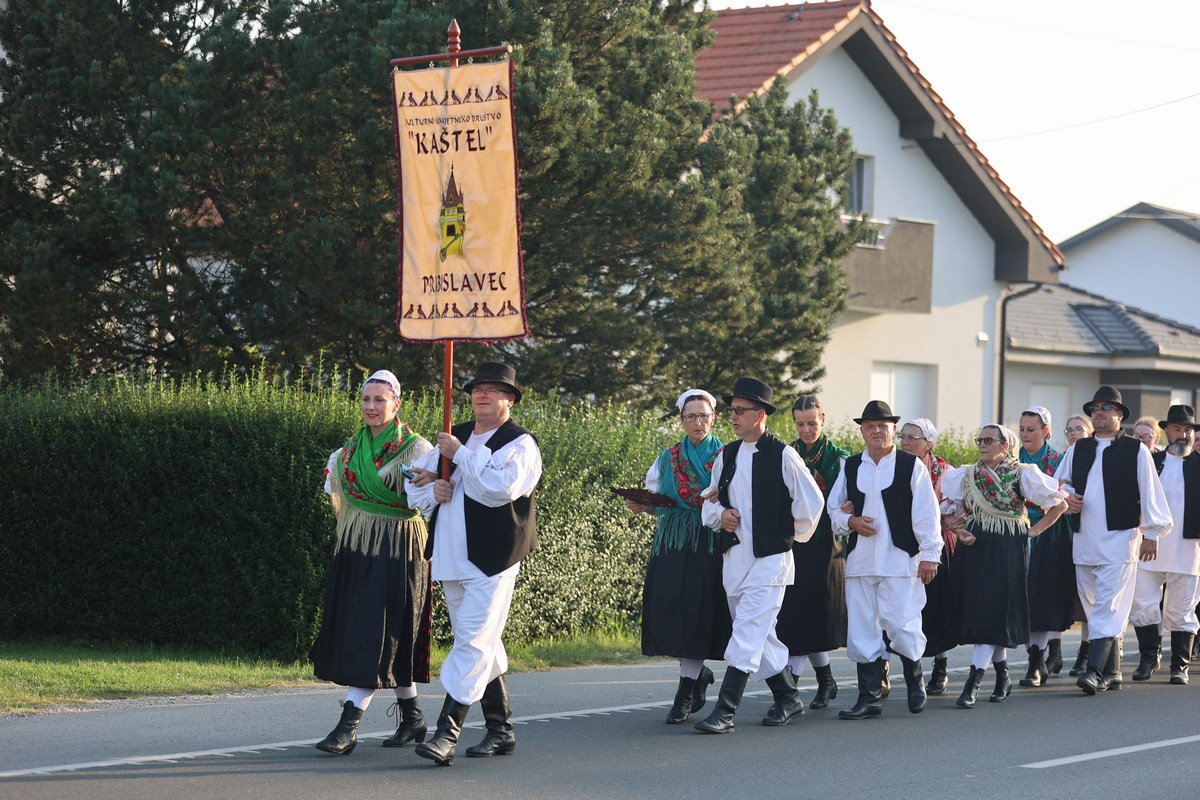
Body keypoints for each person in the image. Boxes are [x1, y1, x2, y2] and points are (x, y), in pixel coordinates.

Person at [407, 362, 542, 765]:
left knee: (471, 641)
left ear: (510, 399)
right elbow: (415, 490)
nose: (481, 394)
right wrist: (436, 490)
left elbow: (499, 490)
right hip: (451, 554)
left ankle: (446, 733)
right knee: (483, 642)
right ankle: (501, 730)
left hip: (494, 557)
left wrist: (459, 457)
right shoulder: (455, 435)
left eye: (493, 389)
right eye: (477, 389)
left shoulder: (520, 443)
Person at [311, 370, 435, 755]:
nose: (371, 406)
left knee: (376, 631)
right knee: (380, 632)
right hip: (357, 548)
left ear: (396, 403)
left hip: (399, 550)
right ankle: (413, 718)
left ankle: (347, 727)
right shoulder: (346, 453)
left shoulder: (416, 449)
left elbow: (429, 503)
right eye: (366, 399)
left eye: (380, 400)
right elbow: (335, 492)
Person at [695, 378, 824, 734]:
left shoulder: (783, 454)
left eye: (740, 410)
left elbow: (811, 504)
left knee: (748, 632)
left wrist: (786, 534)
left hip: (771, 561)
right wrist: (721, 516)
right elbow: (709, 503)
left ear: (761, 414)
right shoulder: (727, 455)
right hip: (735, 560)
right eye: (732, 410)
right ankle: (788, 697)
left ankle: (725, 710)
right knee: (758, 634)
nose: (733, 417)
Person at [1053, 386, 1172, 695]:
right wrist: (1068, 498)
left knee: (1109, 604)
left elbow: (1150, 492)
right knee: (1094, 607)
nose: (1100, 413)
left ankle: (1093, 672)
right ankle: (1114, 670)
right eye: (1095, 408)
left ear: (1120, 414)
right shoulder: (1077, 449)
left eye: (1107, 408)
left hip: (1120, 539)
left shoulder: (1136, 449)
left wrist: (1153, 533)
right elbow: (1059, 484)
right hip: (1085, 539)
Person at [827, 401, 942, 720]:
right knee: (862, 628)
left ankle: (914, 679)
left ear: (893, 429)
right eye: (869, 426)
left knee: (900, 623)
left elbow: (926, 512)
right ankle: (869, 696)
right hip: (861, 560)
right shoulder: (850, 466)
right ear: (862, 430)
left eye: (883, 425)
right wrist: (850, 523)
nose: (876, 431)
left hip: (900, 559)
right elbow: (833, 507)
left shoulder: (910, 465)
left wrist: (930, 554)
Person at [940, 425, 1068, 708]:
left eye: (989, 440)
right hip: (976, 547)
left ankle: (974, 681)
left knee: (994, 609)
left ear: (1005, 445)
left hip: (1008, 547)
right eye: (980, 440)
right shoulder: (966, 474)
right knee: (986, 611)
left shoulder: (1022, 473)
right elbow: (949, 514)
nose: (983, 445)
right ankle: (1003, 675)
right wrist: (960, 530)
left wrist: (1034, 531)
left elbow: (1059, 504)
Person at [627, 388, 730, 723]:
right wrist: (643, 505)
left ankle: (684, 693)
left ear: (713, 417)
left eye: (703, 416)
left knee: (698, 612)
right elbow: (658, 498)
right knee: (672, 611)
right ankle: (696, 677)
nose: (697, 422)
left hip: (710, 543)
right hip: (673, 543)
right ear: (682, 420)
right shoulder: (667, 457)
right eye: (690, 416)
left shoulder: (729, 456)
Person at [776, 395, 849, 709]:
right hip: (793, 542)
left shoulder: (840, 459)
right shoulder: (785, 454)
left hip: (825, 545)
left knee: (815, 614)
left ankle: (791, 685)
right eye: (800, 423)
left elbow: (850, 498)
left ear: (823, 420)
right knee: (796, 616)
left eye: (812, 423)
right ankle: (825, 679)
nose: (806, 430)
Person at [1130, 405, 1200, 684]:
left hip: (1188, 549)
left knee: (1182, 608)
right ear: (1166, 431)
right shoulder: (1149, 461)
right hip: (1147, 546)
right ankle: (1149, 657)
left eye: (1188, 430)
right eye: (1177, 429)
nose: (1183, 435)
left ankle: (1179, 665)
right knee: (1142, 603)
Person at [896, 418, 957, 696]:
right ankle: (904, 668)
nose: (906, 442)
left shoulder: (945, 472)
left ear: (929, 443)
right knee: (903, 609)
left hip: (937, 545)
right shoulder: (894, 465)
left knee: (938, 607)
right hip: (903, 545)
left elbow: (956, 507)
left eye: (913, 437)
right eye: (903, 436)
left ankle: (940, 668)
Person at [1017, 406, 1076, 688]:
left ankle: (1038, 661)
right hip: (1019, 532)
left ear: (1046, 431)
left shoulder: (1059, 460)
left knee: (1044, 597)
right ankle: (1036, 655)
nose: (1026, 434)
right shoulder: (1012, 460)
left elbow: (1065, 495)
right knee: (1023, 598)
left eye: (1031, 429)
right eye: (1022, 429)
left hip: (1050, 533)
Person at [1062, 412, 1095, 676]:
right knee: (1079, 599)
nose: (1073, 434)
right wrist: (1069, 496)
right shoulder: (1069, 455)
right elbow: (1061, 484)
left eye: (1078, 429)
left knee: (1095, 599)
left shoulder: (1099, 452)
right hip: (1069, 535)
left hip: (1102, 536)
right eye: (1069, 430)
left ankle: (1090, 652)